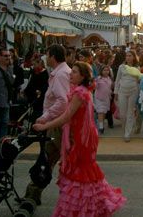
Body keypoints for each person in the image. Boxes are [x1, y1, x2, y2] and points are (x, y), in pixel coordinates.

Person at [32, 62, 126, 216]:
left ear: (82, 76)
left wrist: (45, 125)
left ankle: (81, 208)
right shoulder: (82, 90)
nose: (71, 74)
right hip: (81, 137)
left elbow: (66, 116)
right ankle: (91, 206)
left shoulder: (80, 93)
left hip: (80, 139)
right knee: (84, 173)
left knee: (79, 174)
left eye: (74, 72)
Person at [24, 44, 71, 207]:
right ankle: (33, 193)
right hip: (57, 123)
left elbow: (62, 101)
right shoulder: (60, 73)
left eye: (47, 54)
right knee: (49, 161)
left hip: (57, 125)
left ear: (52, 56)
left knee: (46, 160)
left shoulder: (60, 74)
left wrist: (45, 117)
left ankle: (32, 193)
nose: (45, 57)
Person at [113, 51, 143, 142]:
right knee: (122, 114)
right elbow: (117, 80)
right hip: (122, 91)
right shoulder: (121, 67)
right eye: (127, 56)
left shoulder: (137, 67)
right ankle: (125, 129)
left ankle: (127, 133)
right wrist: (116, 92)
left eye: (130, 56)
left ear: (134, 57)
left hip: (133, 91)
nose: (128, 57)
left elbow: (138, 80)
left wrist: (139, 78)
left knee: (130, 112)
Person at [24, 55, 49, 123]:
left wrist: (39, 91)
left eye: (34, 64)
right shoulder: (33, 72)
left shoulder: (44, 74)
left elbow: (45, 86)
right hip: (33, 97)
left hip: (40, 99)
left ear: (39, 63)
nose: (33, 66)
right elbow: (30, 85)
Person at [95, 64, 114, 134]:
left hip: (107, 98)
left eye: (107, 70)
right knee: (100, 111)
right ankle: (101, 127)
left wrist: (111, 94)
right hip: (99, 98)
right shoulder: (98, 78)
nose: (106, 72)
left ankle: (101, 123)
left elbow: (110, 88)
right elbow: (95, 87)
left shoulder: (110, 79)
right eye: (104, 70)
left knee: (104, 112)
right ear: (101, 71)